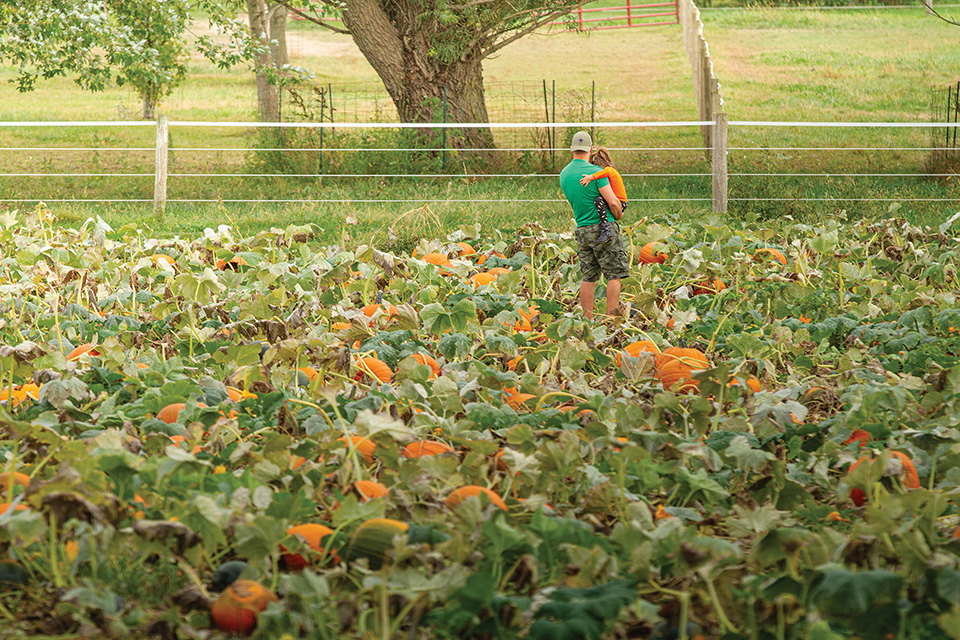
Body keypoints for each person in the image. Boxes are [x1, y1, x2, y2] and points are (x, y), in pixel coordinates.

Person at [559, 131, 630, 320]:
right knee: (613, 275)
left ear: (571, 150)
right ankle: (610, 319)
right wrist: (619, 214)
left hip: (582, 229)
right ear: (590, 149)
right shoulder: (594, 173)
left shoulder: (564, 174)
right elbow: (613, 203)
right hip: (603, 228)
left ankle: (588, 320)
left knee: (588, 278)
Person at [579, 147, 628, 230]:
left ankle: (605, 226)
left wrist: (591, 177)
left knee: (598, 200)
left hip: (620, 202)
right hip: (620, 201)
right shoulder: (612, 172)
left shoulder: (609, 170)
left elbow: (605, 172)